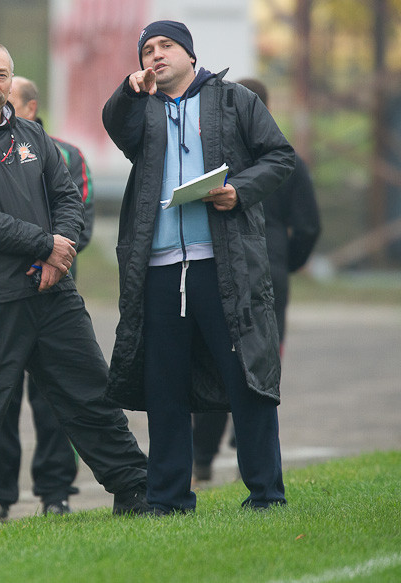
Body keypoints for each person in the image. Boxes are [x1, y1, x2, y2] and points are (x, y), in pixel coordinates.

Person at [0, 40, 149, 533]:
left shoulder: (32, 137)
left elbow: (65, 194)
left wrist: (59, 251)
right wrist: (44, 245)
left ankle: (135, 487)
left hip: (52, 295)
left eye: (3, 74)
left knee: (90, 395)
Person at [102, 20, 295, 514]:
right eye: (147, 50)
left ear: (190, 54)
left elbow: (280, 157)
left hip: (223, 265)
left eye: (166, 46)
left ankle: (266, 494)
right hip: (161, 269)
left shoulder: (234, 100)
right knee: (164, 387)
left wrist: (239, 190)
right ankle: (168, 499)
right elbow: (113, 124)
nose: (156, 56)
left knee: (246, 380)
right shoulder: (139, 109)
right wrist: (129, 91)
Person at [0, 75, 94, 522]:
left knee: (56, 399)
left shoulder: (67, 155)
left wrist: (51, 261)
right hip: (1, 295)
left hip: (52, 295)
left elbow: (80, 219)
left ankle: (56, 491)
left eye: (9, 98)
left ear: (31, 108)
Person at [191, 77, 321, 483]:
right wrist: (289, 263)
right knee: (261, 359)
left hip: (221, 266)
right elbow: (309, 226)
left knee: (215, 359)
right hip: (268, 272)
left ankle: (202, 458)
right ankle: (253, 459)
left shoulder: (213, 160)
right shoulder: (288, 161)